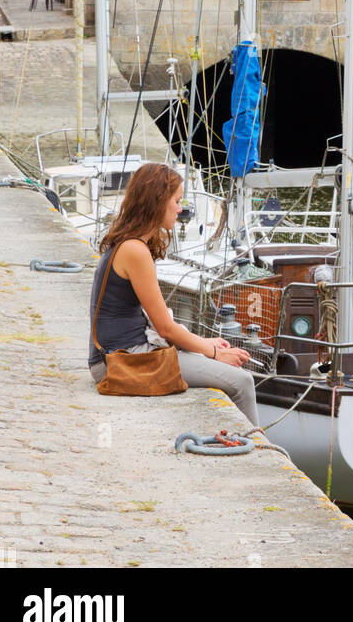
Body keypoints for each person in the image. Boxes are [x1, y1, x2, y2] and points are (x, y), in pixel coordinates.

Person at [88, 162, 259, 427]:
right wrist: (213, 353)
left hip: (121, 355)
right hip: (122, 361)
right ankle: (255, 453)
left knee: (219, 367)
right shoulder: (135, 251)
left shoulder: (128, 244)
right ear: (158, 201)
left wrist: (205, 343)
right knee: (242, 382)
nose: (181, 209)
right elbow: (165, 328)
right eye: (176, 201)